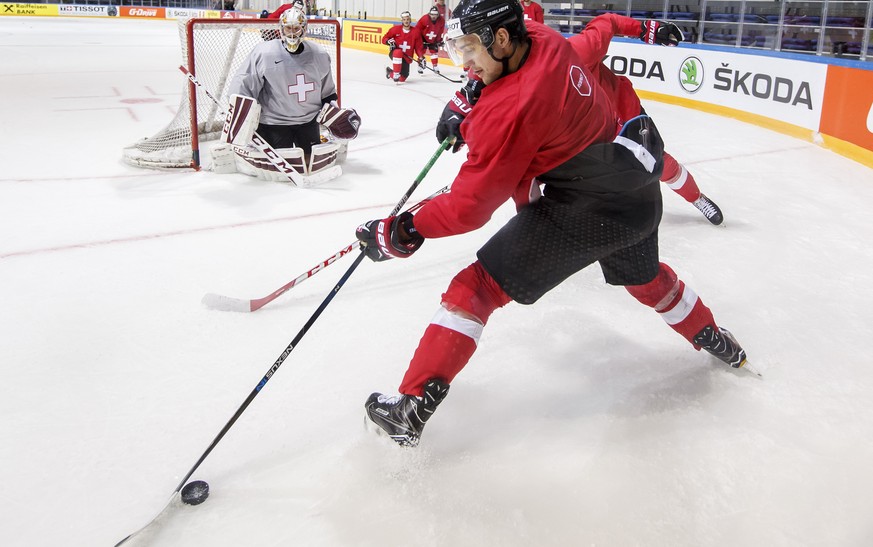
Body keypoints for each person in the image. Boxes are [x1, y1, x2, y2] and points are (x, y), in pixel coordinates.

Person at [355, 0, 753, 448]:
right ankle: (716, 340)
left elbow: (470, 207)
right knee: (648, 280)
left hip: (584, 208)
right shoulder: (551, 42)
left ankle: (410, 407)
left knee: (477, 287)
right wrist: (468, 96)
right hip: (637, 197)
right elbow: (602, 27)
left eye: (469, 49)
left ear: (501, 39)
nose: (463, 62)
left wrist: (404, 231)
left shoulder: (509, 112)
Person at [437, 13, 724, 225]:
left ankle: (697, 198)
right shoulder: (514, 76)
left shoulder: (577, 51)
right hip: (573, 132)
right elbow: (484, 78)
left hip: (617, 114)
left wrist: (646, 29)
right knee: (525, 176)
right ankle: (540, 226)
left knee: (656, 162)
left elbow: (607, 22)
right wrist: (461, 105)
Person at [216, 5, 360, 181]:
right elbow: (244, 84)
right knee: (278, 171)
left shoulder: (319, 55)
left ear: (304, 29)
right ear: (281, 28)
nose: (292, 33)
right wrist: (239, 113)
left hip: (307, 121)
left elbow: (327, 93)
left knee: (310, 164)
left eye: (296, 28)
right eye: (288, 28)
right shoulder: (264, 52)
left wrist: (333, 115)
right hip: (274, 122)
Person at [382, 11, 425, 84]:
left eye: (408, 19)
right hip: (395, 54)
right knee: (398, 52)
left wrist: (421, 57)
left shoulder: (416, 32)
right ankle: (396, 73)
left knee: (402, 78)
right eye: (404, 19)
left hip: (406, 57)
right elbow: (384, 39)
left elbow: (418, 47)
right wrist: (388, 41)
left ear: (410, 20)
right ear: (401, 20)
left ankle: (389, 72)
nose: (406, 21)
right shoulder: (395, 29)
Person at [417, 7, 447, 74]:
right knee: (421, 52)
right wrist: (418, 39)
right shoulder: (424, 18)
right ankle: (420, 65)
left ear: (438, 15)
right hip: (423, 37)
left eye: (435, 15)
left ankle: (435, 66)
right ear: (429, 14)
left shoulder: (441, 20)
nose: (433, 16)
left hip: (434, 38)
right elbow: (417, 29)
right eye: (432, 15)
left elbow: (440, 31)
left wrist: (439, 40)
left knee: (434, 51)